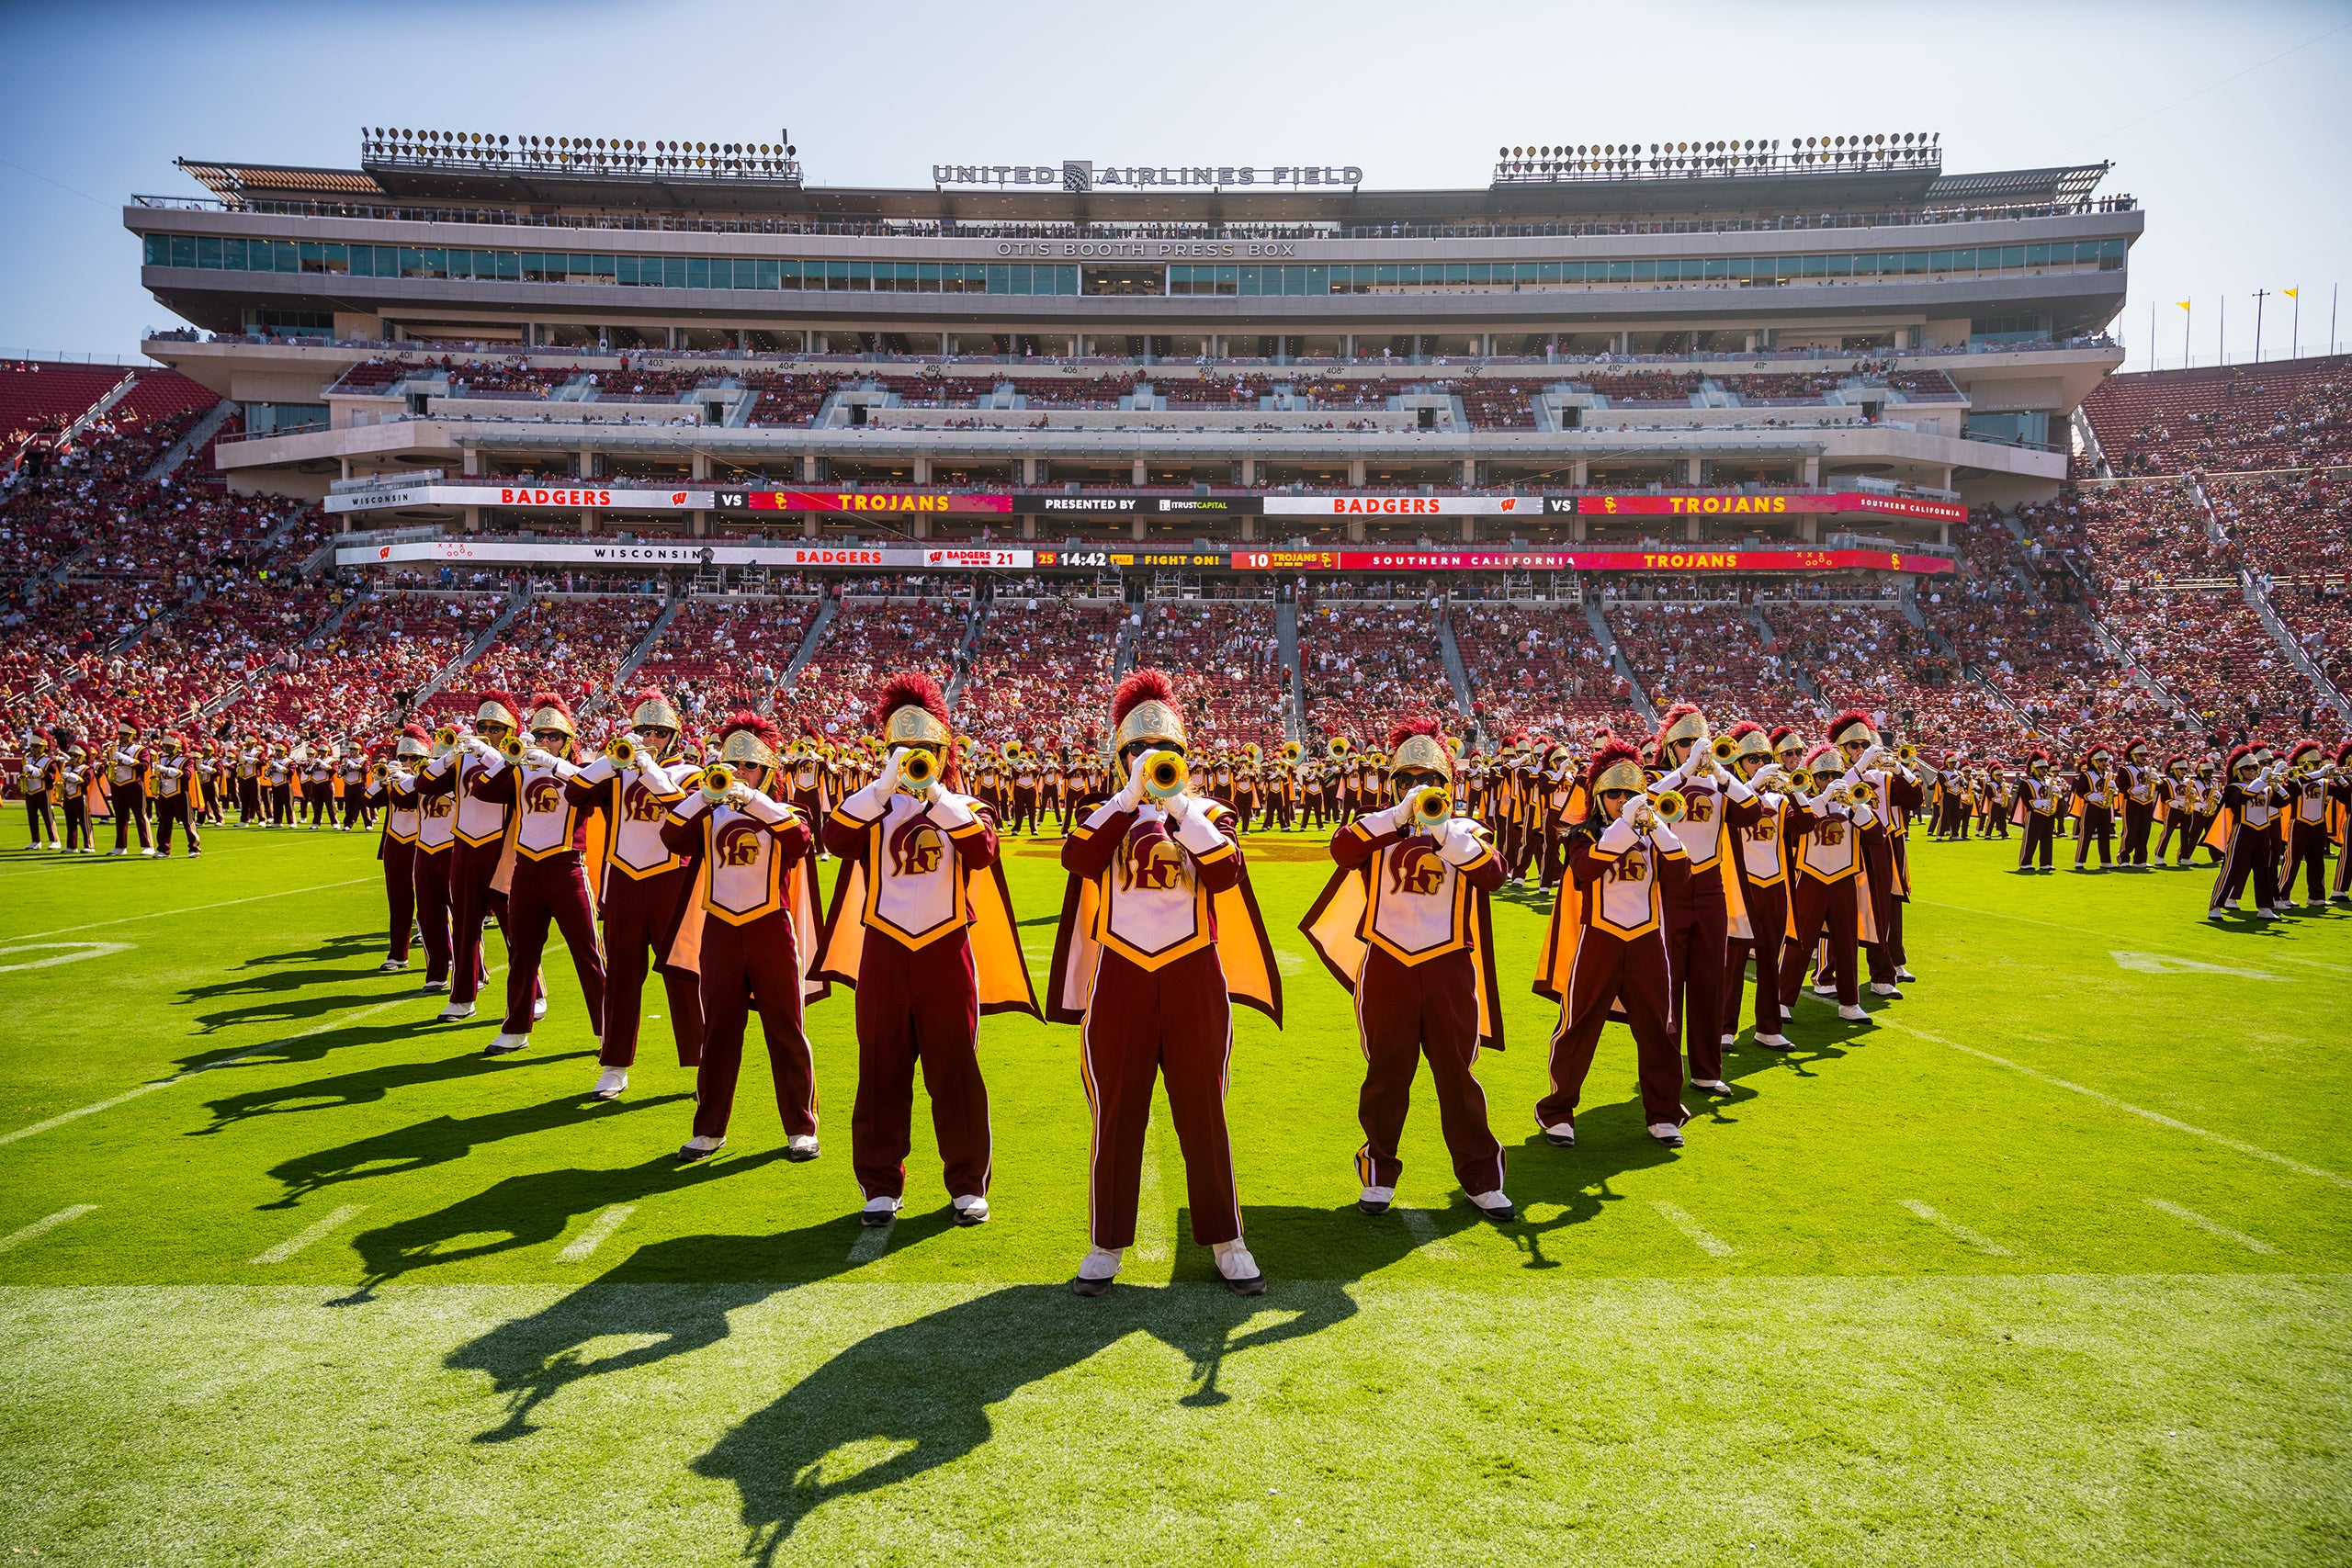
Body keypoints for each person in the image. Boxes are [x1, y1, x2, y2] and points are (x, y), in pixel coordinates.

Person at [1046, 669, 1282, 1298]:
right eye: (1136, 753)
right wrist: (1129, 798)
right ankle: (1104, 1243)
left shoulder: (1210, 812)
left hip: (1192, 972)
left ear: (1185, 756)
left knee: (1203, 1110)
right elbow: (1079, 859)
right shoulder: (1103, 812)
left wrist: (1176, 804)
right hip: (1121, 971)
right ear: (1118, 757)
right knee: (1117, 1111)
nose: (1151, 762)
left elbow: (1226, 870)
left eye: (1165, 754)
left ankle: (1228, 1238)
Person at [815, 672, 1037, 1227]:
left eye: (924, 752)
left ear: (944, 754)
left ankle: (967, 1182)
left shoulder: (966, 805)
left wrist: (933, 794)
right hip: (884, 949)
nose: (913, 761)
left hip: (945, 949)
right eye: (901, 751)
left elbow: (982, 850)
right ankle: (880, 1182)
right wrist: (882, 787)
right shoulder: (870, 806)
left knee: (955, 1068)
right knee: (880, 1066)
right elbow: (833, 841)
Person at [1300, 716, 1511, 1222]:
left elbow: (1495, 875)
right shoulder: (1377, 828)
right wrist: (1397, 816)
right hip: (1387, 963)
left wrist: (1444, 833)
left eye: (1431, 781)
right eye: (1408, 780)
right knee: (1386, 1073)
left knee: (1456, 1075)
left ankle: (1481, 1176)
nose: (1421, 790)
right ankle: (1378, 1170)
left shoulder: (1468, 831)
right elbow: (1342, 850)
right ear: (1394, 785)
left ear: (1447, 786)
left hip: (1447, 965)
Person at [663, 713, 828, 1165]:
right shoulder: (706, 810)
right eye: (732, 764)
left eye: (750, 766)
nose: (738, 773)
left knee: (786, 1028)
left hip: (770, 928)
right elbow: (671, 836)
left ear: (768, 773)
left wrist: (752, 799)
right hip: (719, 928)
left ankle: (801, 1127)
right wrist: (704, 795)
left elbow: (800, 841)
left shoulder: (784, 813)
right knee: (718, 1032)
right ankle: (708, 1129)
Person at [1530, 739, 1691, 1149]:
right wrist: (1625, 825)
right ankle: (1557, 1111)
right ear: (1598, 797)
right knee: (1579, 1024)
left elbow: (1680, 877)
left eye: (1630, 793)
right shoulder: (1582, 835)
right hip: (1598, 940)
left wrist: (1657, 828)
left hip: (1646, 941)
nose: (1623, 801)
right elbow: (1587, 870)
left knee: (1658, 1028)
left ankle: (1663, 1113)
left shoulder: (1657, 831)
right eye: (1614, 794)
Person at [564, 691, 707, 1100]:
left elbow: (684, 813)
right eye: (643, 730)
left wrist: (649, 768)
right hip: (624, 881)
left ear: (674, 737)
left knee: (684, 975)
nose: (650, 738)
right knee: (622, 977)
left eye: (659, 732)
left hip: (671, 883)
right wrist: (612, 759)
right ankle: (614, 1065)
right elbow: (575, 793)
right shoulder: (615, 771)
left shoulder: (690, 773)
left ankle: (702, 1065)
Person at [470, 693, 608, 1056]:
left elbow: (594, 789)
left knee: (588, 954)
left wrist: (554, 764)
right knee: (522, 954)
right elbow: (482, 790)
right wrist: (509, 760)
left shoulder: (579, 773)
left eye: (554, 737)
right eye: (540, 736)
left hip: (567, 869)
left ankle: (607, 1031)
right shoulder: (521, 770)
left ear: (568, 742)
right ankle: (515, 1028)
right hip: (526, 871)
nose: (545, 742)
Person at [1645, 705, 1759, 1098]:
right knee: (1669, 983)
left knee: (1711, 980)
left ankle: (1707, 1069)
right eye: (1686, 744)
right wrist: (1685, 771)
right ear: (1672, 747)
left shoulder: (1718, 783)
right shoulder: (1658, 778)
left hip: (1710, 888)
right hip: (1669, 889)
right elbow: (1640, 805)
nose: (1696, 749)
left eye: (1699, 743)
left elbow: (1753, 811)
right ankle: (1666, 1070)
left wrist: (1723, 774)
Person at [415, 694, 541, 1026]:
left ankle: (536, 991)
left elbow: (507, 784)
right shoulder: (463, 758)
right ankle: (462, 997)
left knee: (516, 929)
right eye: (482, 726)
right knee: (465, 926)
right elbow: (423, 785)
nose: (487, 731)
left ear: (510, 730)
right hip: (464, 848)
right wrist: (449, 756)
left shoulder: (519, 758)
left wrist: (487, 752)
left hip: (503, 851)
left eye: (495, 727)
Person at [1779, 744, 1879, 1025]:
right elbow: (1796, 826)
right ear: (1812, 777)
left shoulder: (1852, 803)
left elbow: (1876, 838)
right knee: (1799, 941)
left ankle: (1849, 1002)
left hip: (1844, 879)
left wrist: (1858, 807)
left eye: (1836, 774)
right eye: (1823, 775)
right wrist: (1824, 798)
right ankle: (1782, 999)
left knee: (1846, 943)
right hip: (1810, 877)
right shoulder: (1802, 801)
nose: (1831, 780)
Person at [1718, 722, 1799, 1052]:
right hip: (1740, 884)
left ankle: (1768, 1026)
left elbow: (1804, 826)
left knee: (1769, 958)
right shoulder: (1726, 792)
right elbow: (1735, 816)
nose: (1762, 764)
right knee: (1733, 960)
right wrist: (1752, 785)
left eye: (1766, 757)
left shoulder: (1780, 798)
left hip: (1774, 883)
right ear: (1737, 763)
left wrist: (1794, 791)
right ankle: (1724, 1028)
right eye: (1753, 759)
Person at [366, 728, 431, 971]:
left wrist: (408, 780)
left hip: (423, 843)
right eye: (403, 757)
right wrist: (381, 780)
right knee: (398, 902)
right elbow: (369, 800)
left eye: (413, 758)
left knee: (429, 903)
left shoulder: (428, 777)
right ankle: (397, 954)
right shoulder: (394, 778)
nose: (407, 762)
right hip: (395, 844)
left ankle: (434, 952)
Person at [2207, 743, 2287, 920]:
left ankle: (2265, 907)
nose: (2252, 771)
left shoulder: (2263, 787)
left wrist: (2277, 785)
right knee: (2231, 868)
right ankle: (2215, 905)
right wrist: (2261, 781)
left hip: (2263, 832)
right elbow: (2242, 798)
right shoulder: (2233, 787)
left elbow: (2284, 801)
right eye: (2248, 768)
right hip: (2243, 831)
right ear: (2238, 770)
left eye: (2254, 767)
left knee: (2263, 870)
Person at [105, 721, 155, 857]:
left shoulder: (141, 749)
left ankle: (147, 845)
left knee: (140, 815)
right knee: (120, 817)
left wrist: (126, 760)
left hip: (134, 784)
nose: (121, 736)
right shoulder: (112, 749)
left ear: (133, 735)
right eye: (120, 733)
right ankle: (120, 846)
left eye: (125, 734)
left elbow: (144, 766)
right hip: (117, 785)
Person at [151, 735, 204, 858]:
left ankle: (194, 848)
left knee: (187, 821)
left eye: (170, 746)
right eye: (165, 746)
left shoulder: (186, 759)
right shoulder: (162, 759)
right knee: (164, 822)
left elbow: (187, 775)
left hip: (180, 793)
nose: (167, 748)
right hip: (164, 793)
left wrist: (166, 770)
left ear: (179, 747)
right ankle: (163, 849)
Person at [2014, 751, 2062, 872]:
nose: (2044, 770)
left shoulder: (2049, 782)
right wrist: (2038, 803)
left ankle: (2046, 863)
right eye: (2041, 768)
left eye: (2045, 767)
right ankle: (2025, 862)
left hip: (2048, 814)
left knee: (2047, 839)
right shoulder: (2027, 782)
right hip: (2034, 814)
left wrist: (2057, 792)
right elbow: (2025, 799)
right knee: (2031, 839)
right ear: (2033, 768)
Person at [19, 736, 60, 851]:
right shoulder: (27, 759)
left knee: (47, 815)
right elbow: (21, 774)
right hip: (30, 791)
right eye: (32, 746)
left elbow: (51, 776)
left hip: (42, 791)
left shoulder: (49, 761)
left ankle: (55, 840)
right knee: (31, 817)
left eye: (36, 746)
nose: (33, 748)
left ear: (43, 747)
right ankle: (35, 841)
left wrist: (36, 771)